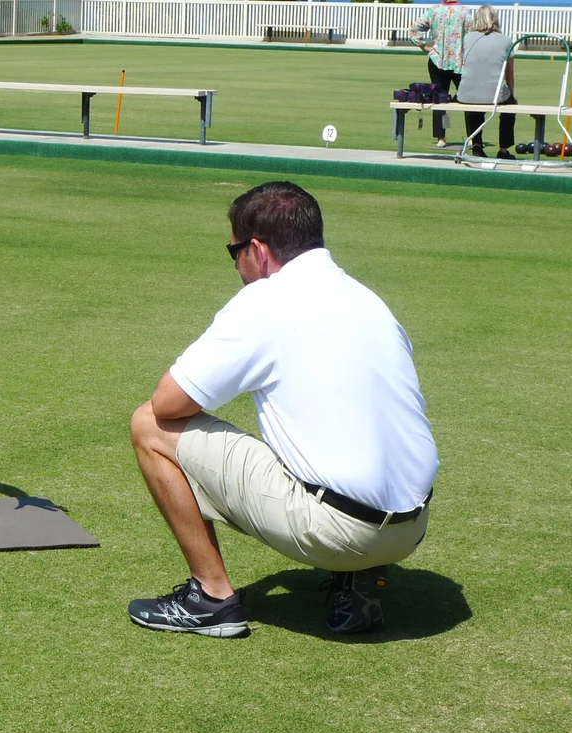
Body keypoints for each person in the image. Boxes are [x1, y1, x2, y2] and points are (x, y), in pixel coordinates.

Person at [127, 182, 439, 639]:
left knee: (148, 425)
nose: (235, 264)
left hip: (339, 531)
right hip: (412, 526)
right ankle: (362, 580)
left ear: (258, 248)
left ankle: (211, 598)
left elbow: (168, 403)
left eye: (234, 250)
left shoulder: (264, 301)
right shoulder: (368, 298)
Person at [410, 0, 471, 149]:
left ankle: (441, 138)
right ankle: (472, 138)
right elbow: (471, 36)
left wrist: (426, 48)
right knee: (469, 99)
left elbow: (414, 29)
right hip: (459, 61)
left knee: (438, 98)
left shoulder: (434, 11)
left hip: (438, 60)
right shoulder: (464, 11)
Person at [460, 5, 518, 160]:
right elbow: (509, 73)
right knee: (510, 107)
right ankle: (503, 149)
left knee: (472, 103)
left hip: (466, 93)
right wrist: (512, 94)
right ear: (495, 19)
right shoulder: (506, 40)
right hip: (494, 94)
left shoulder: (467, 38)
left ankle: (476, 145)